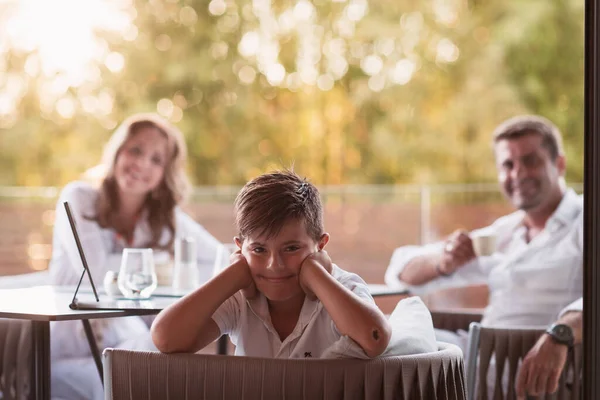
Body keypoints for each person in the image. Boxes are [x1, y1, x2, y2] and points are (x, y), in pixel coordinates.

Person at [384, 115, 583, 396]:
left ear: (559, 164)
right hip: (476, 357)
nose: (518, 173)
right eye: (508, 165)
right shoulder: (505, 233)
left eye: (531, 161)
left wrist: (561, 332)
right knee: (383, 337)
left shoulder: (585, 221)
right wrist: (444, 263)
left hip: (534, 370)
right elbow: (401, 271)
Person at [48, 113, 221, 399]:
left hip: (120, 338)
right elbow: (96, 273)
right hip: (68, 342)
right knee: (113, 380)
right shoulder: (78, 198)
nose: (142, 164)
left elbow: (218, 260)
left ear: (164, 174)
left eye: (156, 159)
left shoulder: (164, 220)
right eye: (136, 150)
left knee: (163, 359)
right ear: (118, 151)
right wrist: (160, 263)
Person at [151, 170, 392, 359]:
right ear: (240, 248)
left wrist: (316, 275)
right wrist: (234, 274)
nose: (274, 265)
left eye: (291, 248)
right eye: (259, 250)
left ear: (320, 245)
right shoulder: (239, 296)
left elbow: (375, 338)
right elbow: (165, 338)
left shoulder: (342, 287)